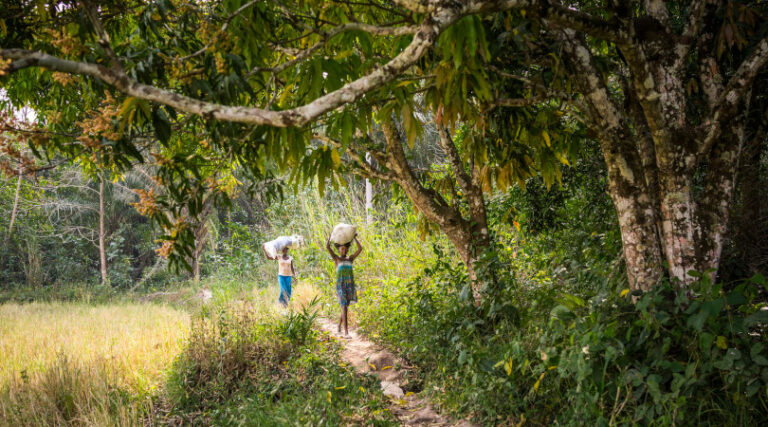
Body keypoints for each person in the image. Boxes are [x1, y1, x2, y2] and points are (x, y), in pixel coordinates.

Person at [326, 234, 362, 337]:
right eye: (342, 249)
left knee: (345, 306)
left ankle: (339, 326)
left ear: (347, 249)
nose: (344, 251)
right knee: (344, 307)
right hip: (340, 286)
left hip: (349, 285)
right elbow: (328, 247)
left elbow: (360, 249)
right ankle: (346, 332)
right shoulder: (336, 259)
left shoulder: (350, 259)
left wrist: (355, 238)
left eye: (345, 249)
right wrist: (330, 237)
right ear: (339, 250)